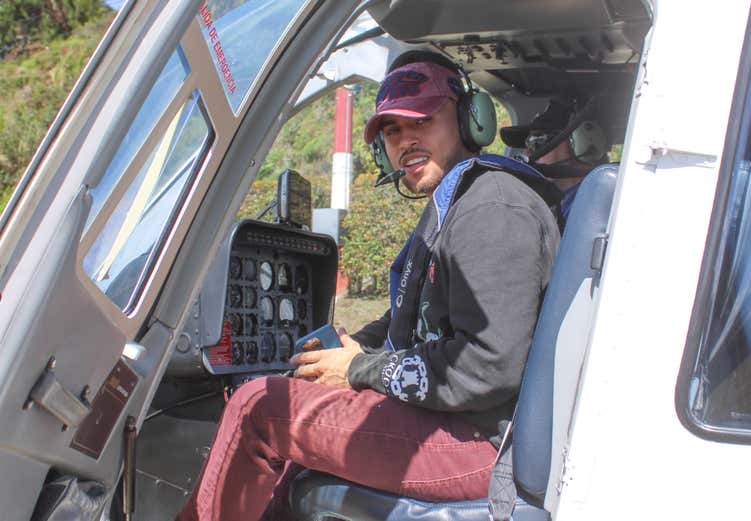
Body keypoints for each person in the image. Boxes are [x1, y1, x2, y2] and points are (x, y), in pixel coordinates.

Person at [177, 52, 560, 521]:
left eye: (422, 119)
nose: (406, 140)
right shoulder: (461, 199)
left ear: (467, 119)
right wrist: (364, 344)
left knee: (258, 406)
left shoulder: (492, 209)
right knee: (297, 412)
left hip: (484, 444)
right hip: (459, 422)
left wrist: (361, 369)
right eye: (392, 131)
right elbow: (416, 310)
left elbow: (486, 367)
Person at [500, 99, 608, 220]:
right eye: (527, 144)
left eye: (537, 142)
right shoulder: (555, 206)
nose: (527, 153)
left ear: (581, 144)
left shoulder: (595, 208)